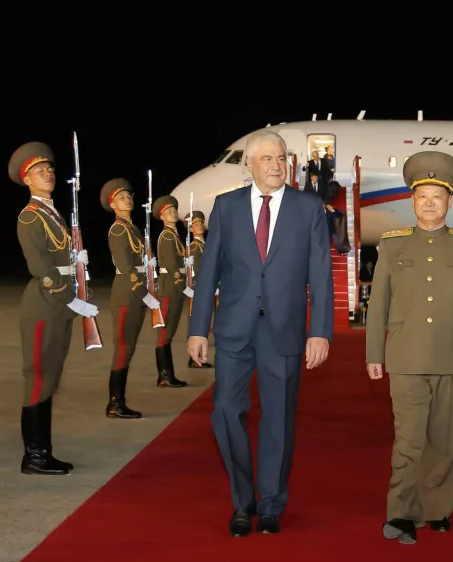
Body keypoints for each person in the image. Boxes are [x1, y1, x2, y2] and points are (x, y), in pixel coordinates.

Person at [187, 130, 334, 537]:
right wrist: (199, 329)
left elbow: (320, 276)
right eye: (267, 159)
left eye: (281, 158)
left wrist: (320, 331)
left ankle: (270, 504)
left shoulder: (308, 209)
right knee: (224, 413)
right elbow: (209, 274)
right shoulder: (227, 207)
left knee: (278, 421)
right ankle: (242, 500)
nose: (276, 165)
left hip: (284, 331)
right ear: (250, 164)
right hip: (234, 329)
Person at [365, 151, 453, 545]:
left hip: (452, 355)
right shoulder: (391, 246)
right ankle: (401, 513)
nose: (428, 202)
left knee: (445, 438)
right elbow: (379, 304)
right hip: (405, 357)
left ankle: (437, 508)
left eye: (436, 196)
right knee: (409, 439)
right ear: (412, 200)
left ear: (449, 202)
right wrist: (375, 354)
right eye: (422, 195)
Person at [10, 141, 98, 476]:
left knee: (50, 379)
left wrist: (78, 264)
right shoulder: (30, 216)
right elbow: (40, 268)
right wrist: (69, 295)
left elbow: (60, 258)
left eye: (49, 169)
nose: (47, 174)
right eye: (38, 171)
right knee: (37, 378)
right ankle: (34, 456)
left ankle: (43, 451)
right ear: (27, 180)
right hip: (44, 304)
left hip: (59, 305)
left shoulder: (53, 214)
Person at [101, 178, 162, 419]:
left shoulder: (132, 228)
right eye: (121, 198)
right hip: (127, 293)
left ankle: (119, 400)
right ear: (113, 204)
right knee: (123, 349)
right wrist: (145, 294)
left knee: (129, 348)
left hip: (136, 293)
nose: (127, 200)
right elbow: (127, 268)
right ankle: (115, 403)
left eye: (129, 196)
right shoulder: (117, 229)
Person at [150, 195, 189, 387]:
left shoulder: (174, 234)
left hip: (174, 285)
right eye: (168, 212)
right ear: (162, 217)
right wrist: (182, 285)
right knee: (165, 331)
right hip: (170, 286)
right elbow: (172, 265)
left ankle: (166, 374)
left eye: (174, 210)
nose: (173, 213)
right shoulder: (166, 235)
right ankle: (165, 375)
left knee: (170, 330)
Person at [184, 210, 213, 368]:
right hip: (200, 288)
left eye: (201, 223)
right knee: (197, 321)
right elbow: (198, 270)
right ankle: (193, 358)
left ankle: (198, 357)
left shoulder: (204, 244)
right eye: (195, 224)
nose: (199, 226)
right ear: (190, 229)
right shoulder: (195, 247)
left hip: (207, 288)